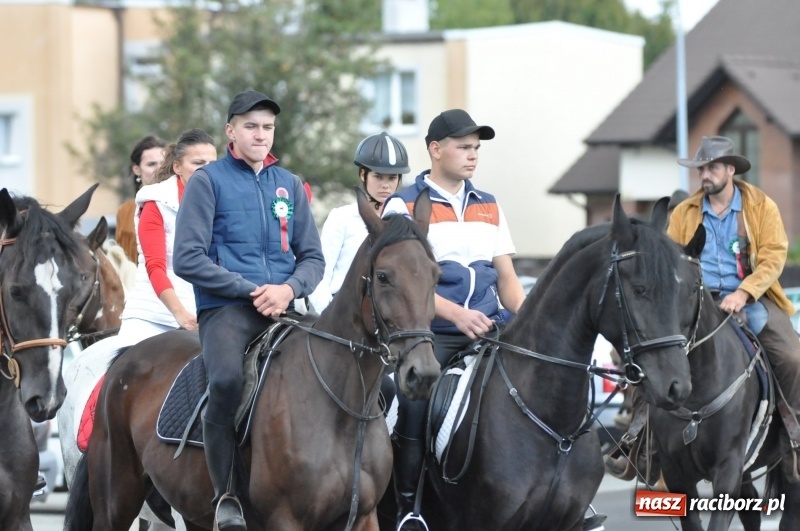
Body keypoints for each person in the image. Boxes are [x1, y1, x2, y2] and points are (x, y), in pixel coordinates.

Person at [173, 90, 324, 531]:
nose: (261, 135)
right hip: (227, 310)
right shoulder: (207, 181)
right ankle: (226, 495)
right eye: (251, 126)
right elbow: (187, 258)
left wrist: (288, 289)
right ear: (231, 131)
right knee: (225, 380)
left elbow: (313, 258)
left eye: (268, 127)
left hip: (284, 307)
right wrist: (250, 289)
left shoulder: (289, 184)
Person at [381, 109, 526, 530]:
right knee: (413, 403)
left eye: (476, 148)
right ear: (435, 149)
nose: (473, 155)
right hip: (433, 334)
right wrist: (457, 314)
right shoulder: (403, 204)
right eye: (464, 147)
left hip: (491, 326)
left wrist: (532, 319)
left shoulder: (489, 204)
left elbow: (508, 280)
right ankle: (409, 509)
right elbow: (403, 283)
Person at [59, 128, 218, 500]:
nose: (208, 170)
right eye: (199, 163)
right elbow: (156, 266)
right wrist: (180, 314)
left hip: (205, 311)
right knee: (117, 377)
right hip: (154, 312)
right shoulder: (153, 201)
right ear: (177, 166)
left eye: (213, 163)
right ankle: (95, 455)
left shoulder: (222, 198)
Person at [668, 136, 800, 466]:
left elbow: (774, 256)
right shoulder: (683, 213)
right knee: (655, 352)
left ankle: (793, 438)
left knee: (793, 358)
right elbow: (670, 259)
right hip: (696, 302)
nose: (704, 175)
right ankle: (641, 441)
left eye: (712, 168)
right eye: (701, 169)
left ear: (730, 170)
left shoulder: (761, 206)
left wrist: (744, 292)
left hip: (752, 297)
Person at [307, 132, 410, 313]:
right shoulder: (341, 217)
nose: (386, 185)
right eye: (378, 177)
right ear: (363, 174)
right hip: (343, 311)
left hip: (386, 315)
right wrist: (329, 314)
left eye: (392, 178)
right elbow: (320, 274)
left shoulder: (405, 220)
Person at [116, 135, 167, 263]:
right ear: (137, 169)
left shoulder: (184, 204)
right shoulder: (125, 211)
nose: (159, 170)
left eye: (163, 163)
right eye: (151, 164)